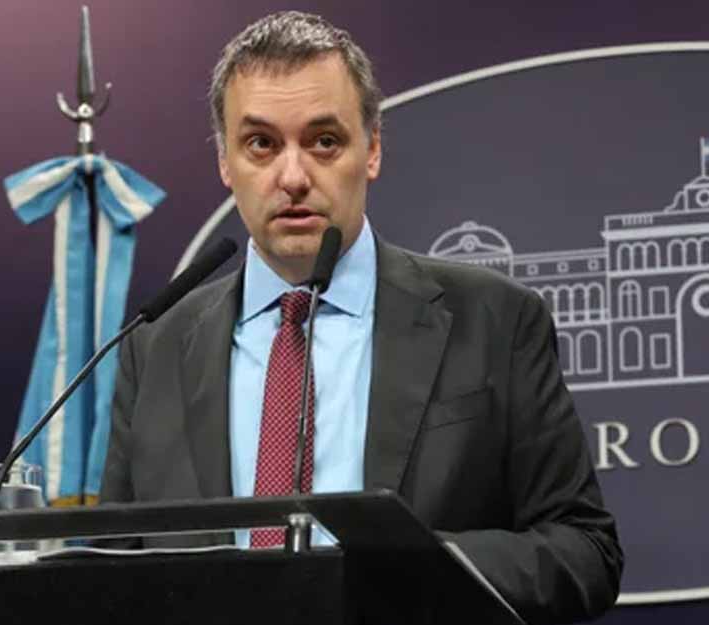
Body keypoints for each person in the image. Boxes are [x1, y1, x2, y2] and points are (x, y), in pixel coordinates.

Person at [100, 11, 623, 624]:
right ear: (225, 161)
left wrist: (414, 568)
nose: (292, 177)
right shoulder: (155, 346)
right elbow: (115, 570)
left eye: (324, 141)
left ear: (372, 149)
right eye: (261, 144)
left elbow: (584, 551)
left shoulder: (495, 320)